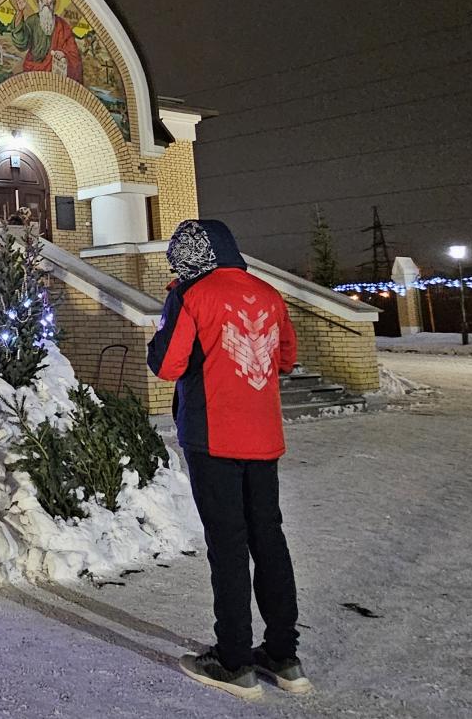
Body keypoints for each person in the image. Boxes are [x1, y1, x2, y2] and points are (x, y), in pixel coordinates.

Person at [147, 219, 310, 700]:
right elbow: (283, 359)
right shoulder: (268, 293)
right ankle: (284, 655)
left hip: (213, 437)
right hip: (263, 437)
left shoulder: (191, 295)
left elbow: (166, 365)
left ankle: (234, 659)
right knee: (269, 540)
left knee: (228, 546)